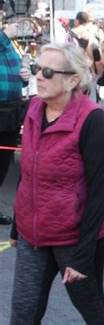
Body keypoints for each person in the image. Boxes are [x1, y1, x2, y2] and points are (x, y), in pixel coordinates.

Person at [0, 44, 104, 325]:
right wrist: (18, 223)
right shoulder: (34, 109)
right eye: (36, 68)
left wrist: (81, 256)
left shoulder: (91, 119)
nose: (39, 76)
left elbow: (100, 191)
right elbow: (29, 174)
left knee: (91, 305)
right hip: (34, 233)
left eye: (49, 72)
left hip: (76, 237)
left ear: (73, 80)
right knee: (24, 310)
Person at [0, 21, 30, 225]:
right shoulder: (5, 38)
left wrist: (25, 76)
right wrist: (4, 35)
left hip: (10, 110)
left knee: (2, 164)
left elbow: (16, 71)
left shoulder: (7, 42)